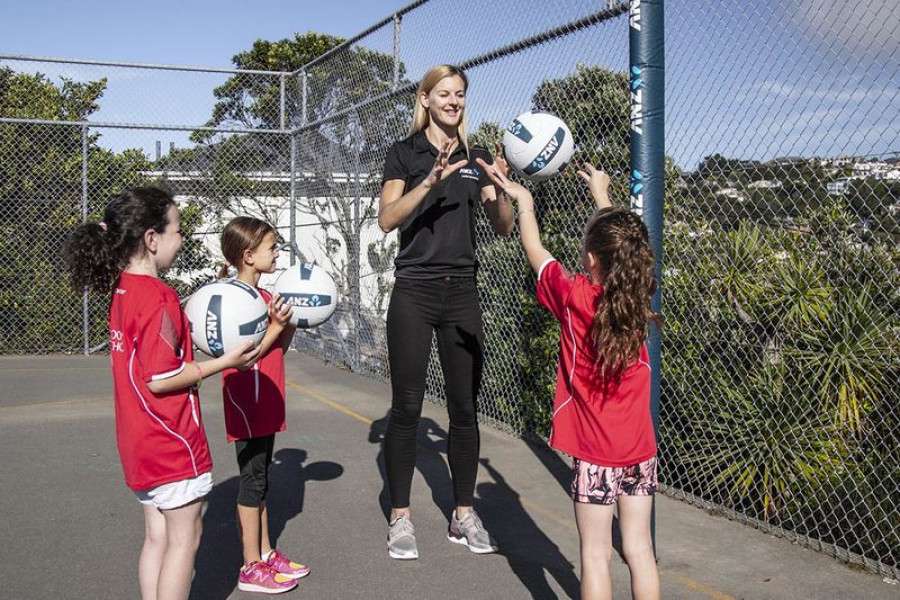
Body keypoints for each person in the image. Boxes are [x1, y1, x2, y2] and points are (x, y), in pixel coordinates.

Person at [476, 160, 661, 600]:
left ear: (590, 259)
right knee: (640, 550)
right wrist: (602, 195)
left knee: (595, 554)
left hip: (596, 455)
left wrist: (524, 201)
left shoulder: (575, 295)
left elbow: (535, 250)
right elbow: (626, 244)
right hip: (640, 450)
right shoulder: (638, 295)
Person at [65, 187, 260, 600]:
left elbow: (148, 347)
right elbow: (160, 377)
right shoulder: (158, 297)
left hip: (137, 439)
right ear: (151, 239)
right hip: (169, 440)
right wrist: (227, 361)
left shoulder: (124, 290)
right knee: (184, 541)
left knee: (157, 537)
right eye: (178, 230)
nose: (182, 238)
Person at [377, 64, 515, 559]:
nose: (453, 101)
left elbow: (501, 226)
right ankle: (400, 517)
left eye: (459, 94)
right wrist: (431, 180)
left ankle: (462, 514)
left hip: (462, 292)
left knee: (464, 409)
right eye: (444, 94)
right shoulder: (404, 152)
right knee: (408, 407)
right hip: (414, 291)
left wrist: (498, 185)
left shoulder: (476, 156)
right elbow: (387, 219)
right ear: (426, 99)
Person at [218, 216, 308, 594]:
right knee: (251, 481)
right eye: (272, 248)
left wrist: (288, 324)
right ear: (249, 255)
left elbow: (278, 349)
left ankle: (266, 553)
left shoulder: (268, 297)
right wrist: (273, 326)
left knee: (262, 479)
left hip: (268, 395)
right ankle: (249, 565)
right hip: (246, 399)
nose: (277, 253)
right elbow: (247, 354)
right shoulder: (232, 298)